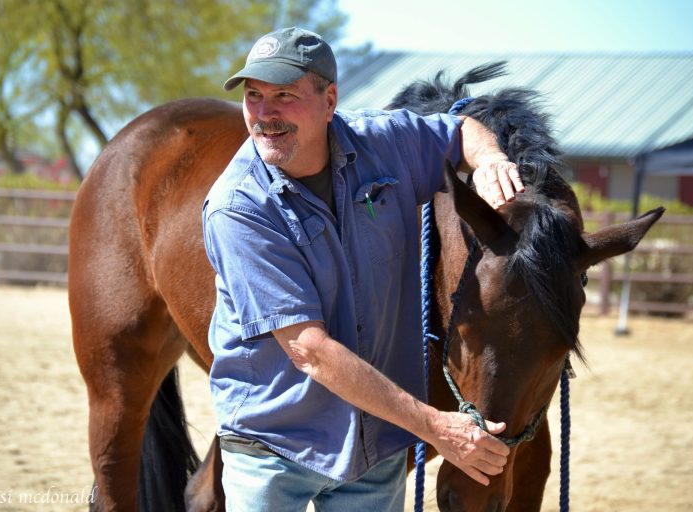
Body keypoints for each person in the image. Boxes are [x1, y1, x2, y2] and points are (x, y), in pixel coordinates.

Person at [202, 26, 523, 512]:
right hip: (275, 447)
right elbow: (310, 350)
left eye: (284, 95)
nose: (264, 114)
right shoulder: (239, 207)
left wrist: (491, 159)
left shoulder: (383, 142)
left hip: (375, 443)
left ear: (329, 100)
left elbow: (460, 129)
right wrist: (436, 427)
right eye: (253, 96)